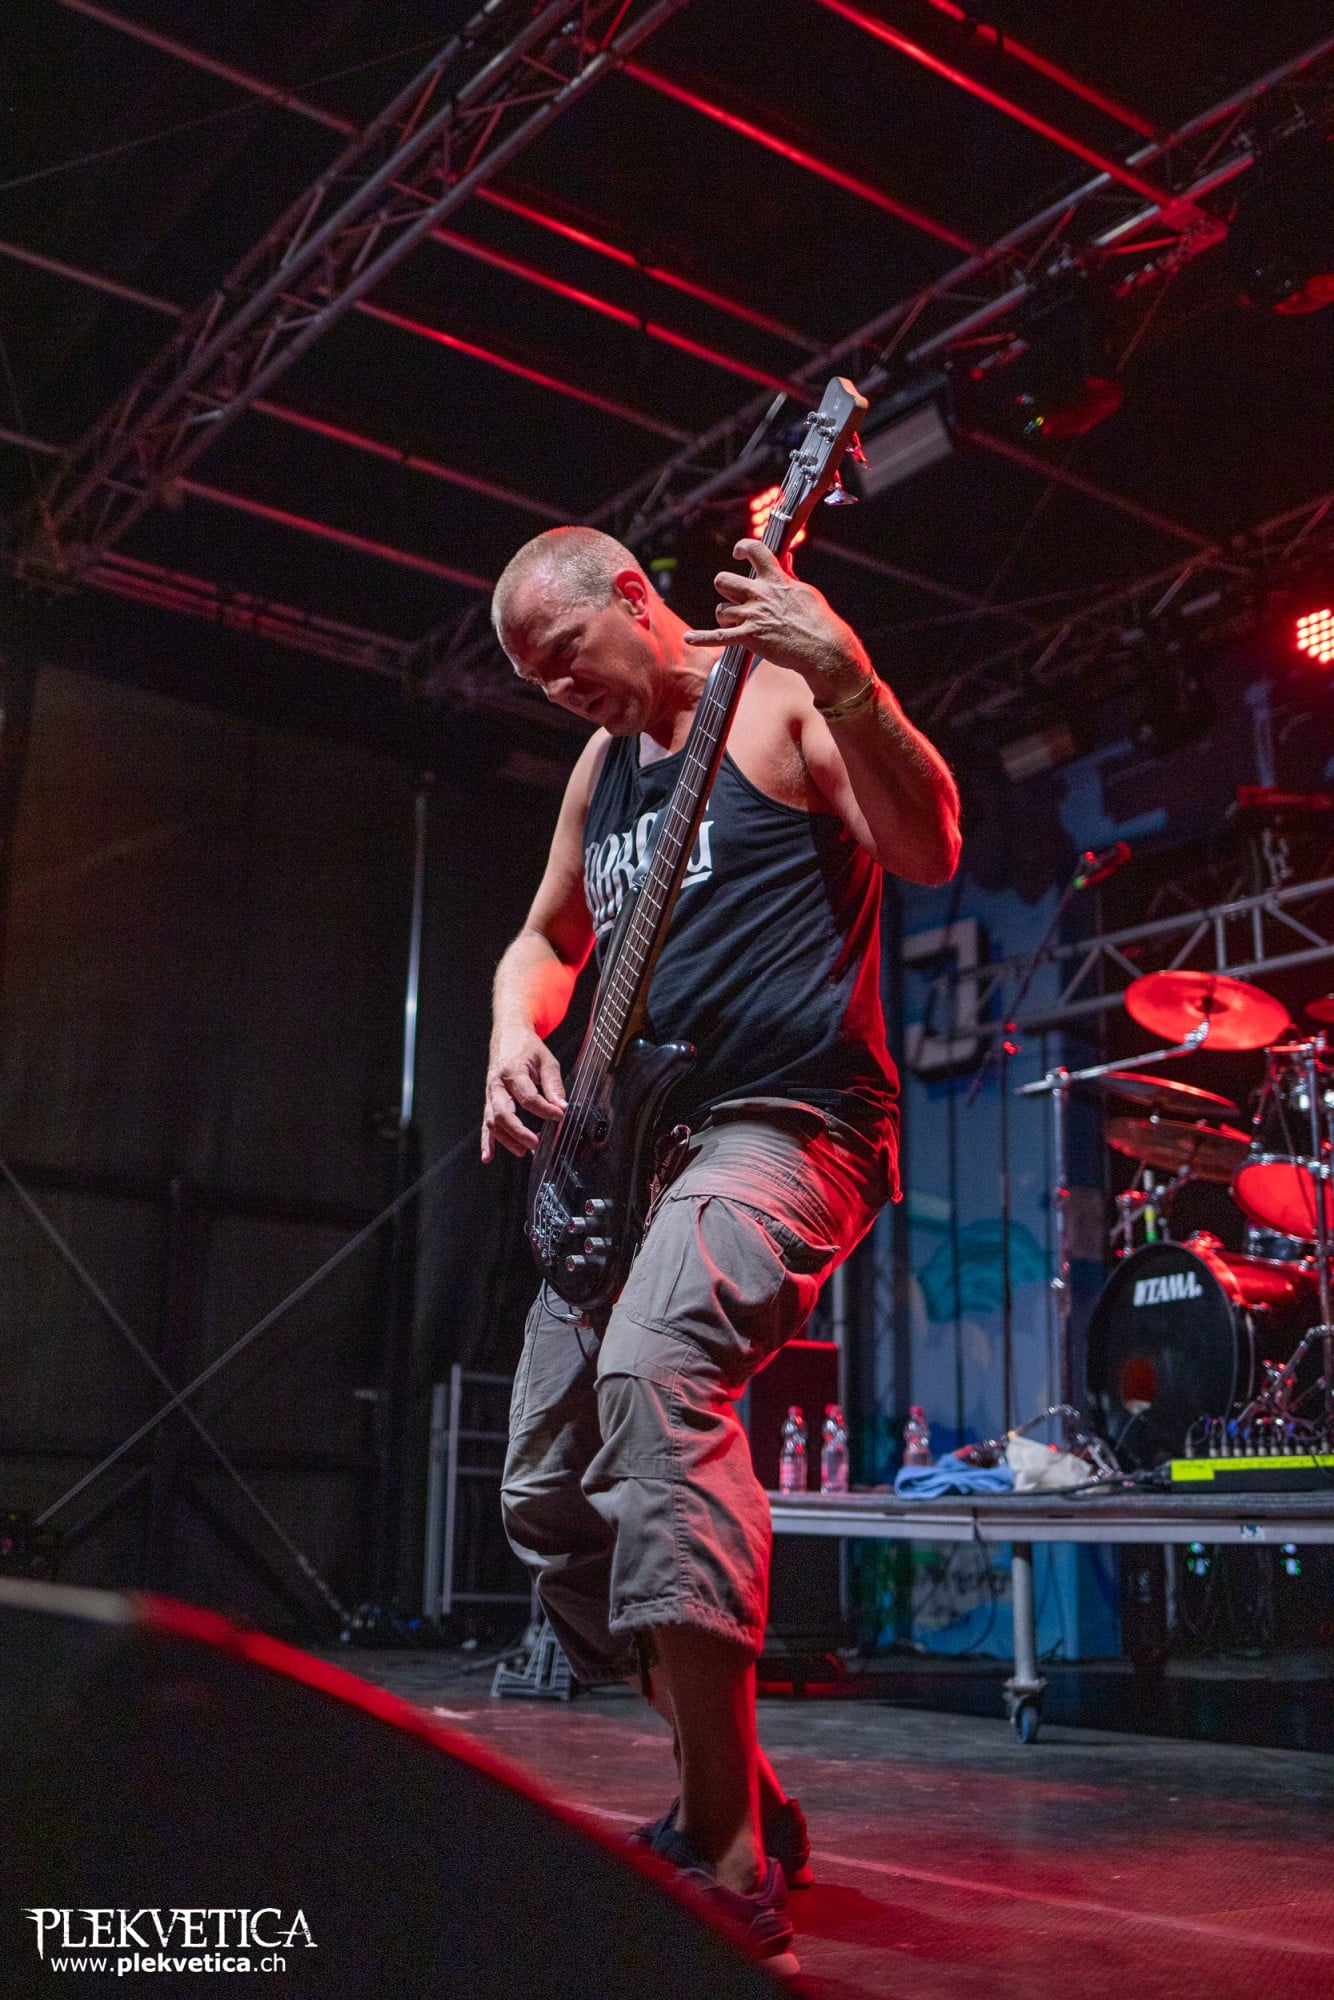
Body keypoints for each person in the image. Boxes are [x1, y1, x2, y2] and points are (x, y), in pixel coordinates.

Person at [484, 524, 959, 1971]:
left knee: (653, 1376)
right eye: (533, 678)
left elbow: (929, 846)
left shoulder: (780, 699)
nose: (558, 691)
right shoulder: (603, 768)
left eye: (565, 656)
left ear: (635, 599)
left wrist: (852, 679)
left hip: (791, 1121)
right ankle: (735, 1788)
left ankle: (727, 1857)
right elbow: (545, 940)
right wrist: (511, 1028)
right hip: (632, 1157)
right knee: (545, 1495)